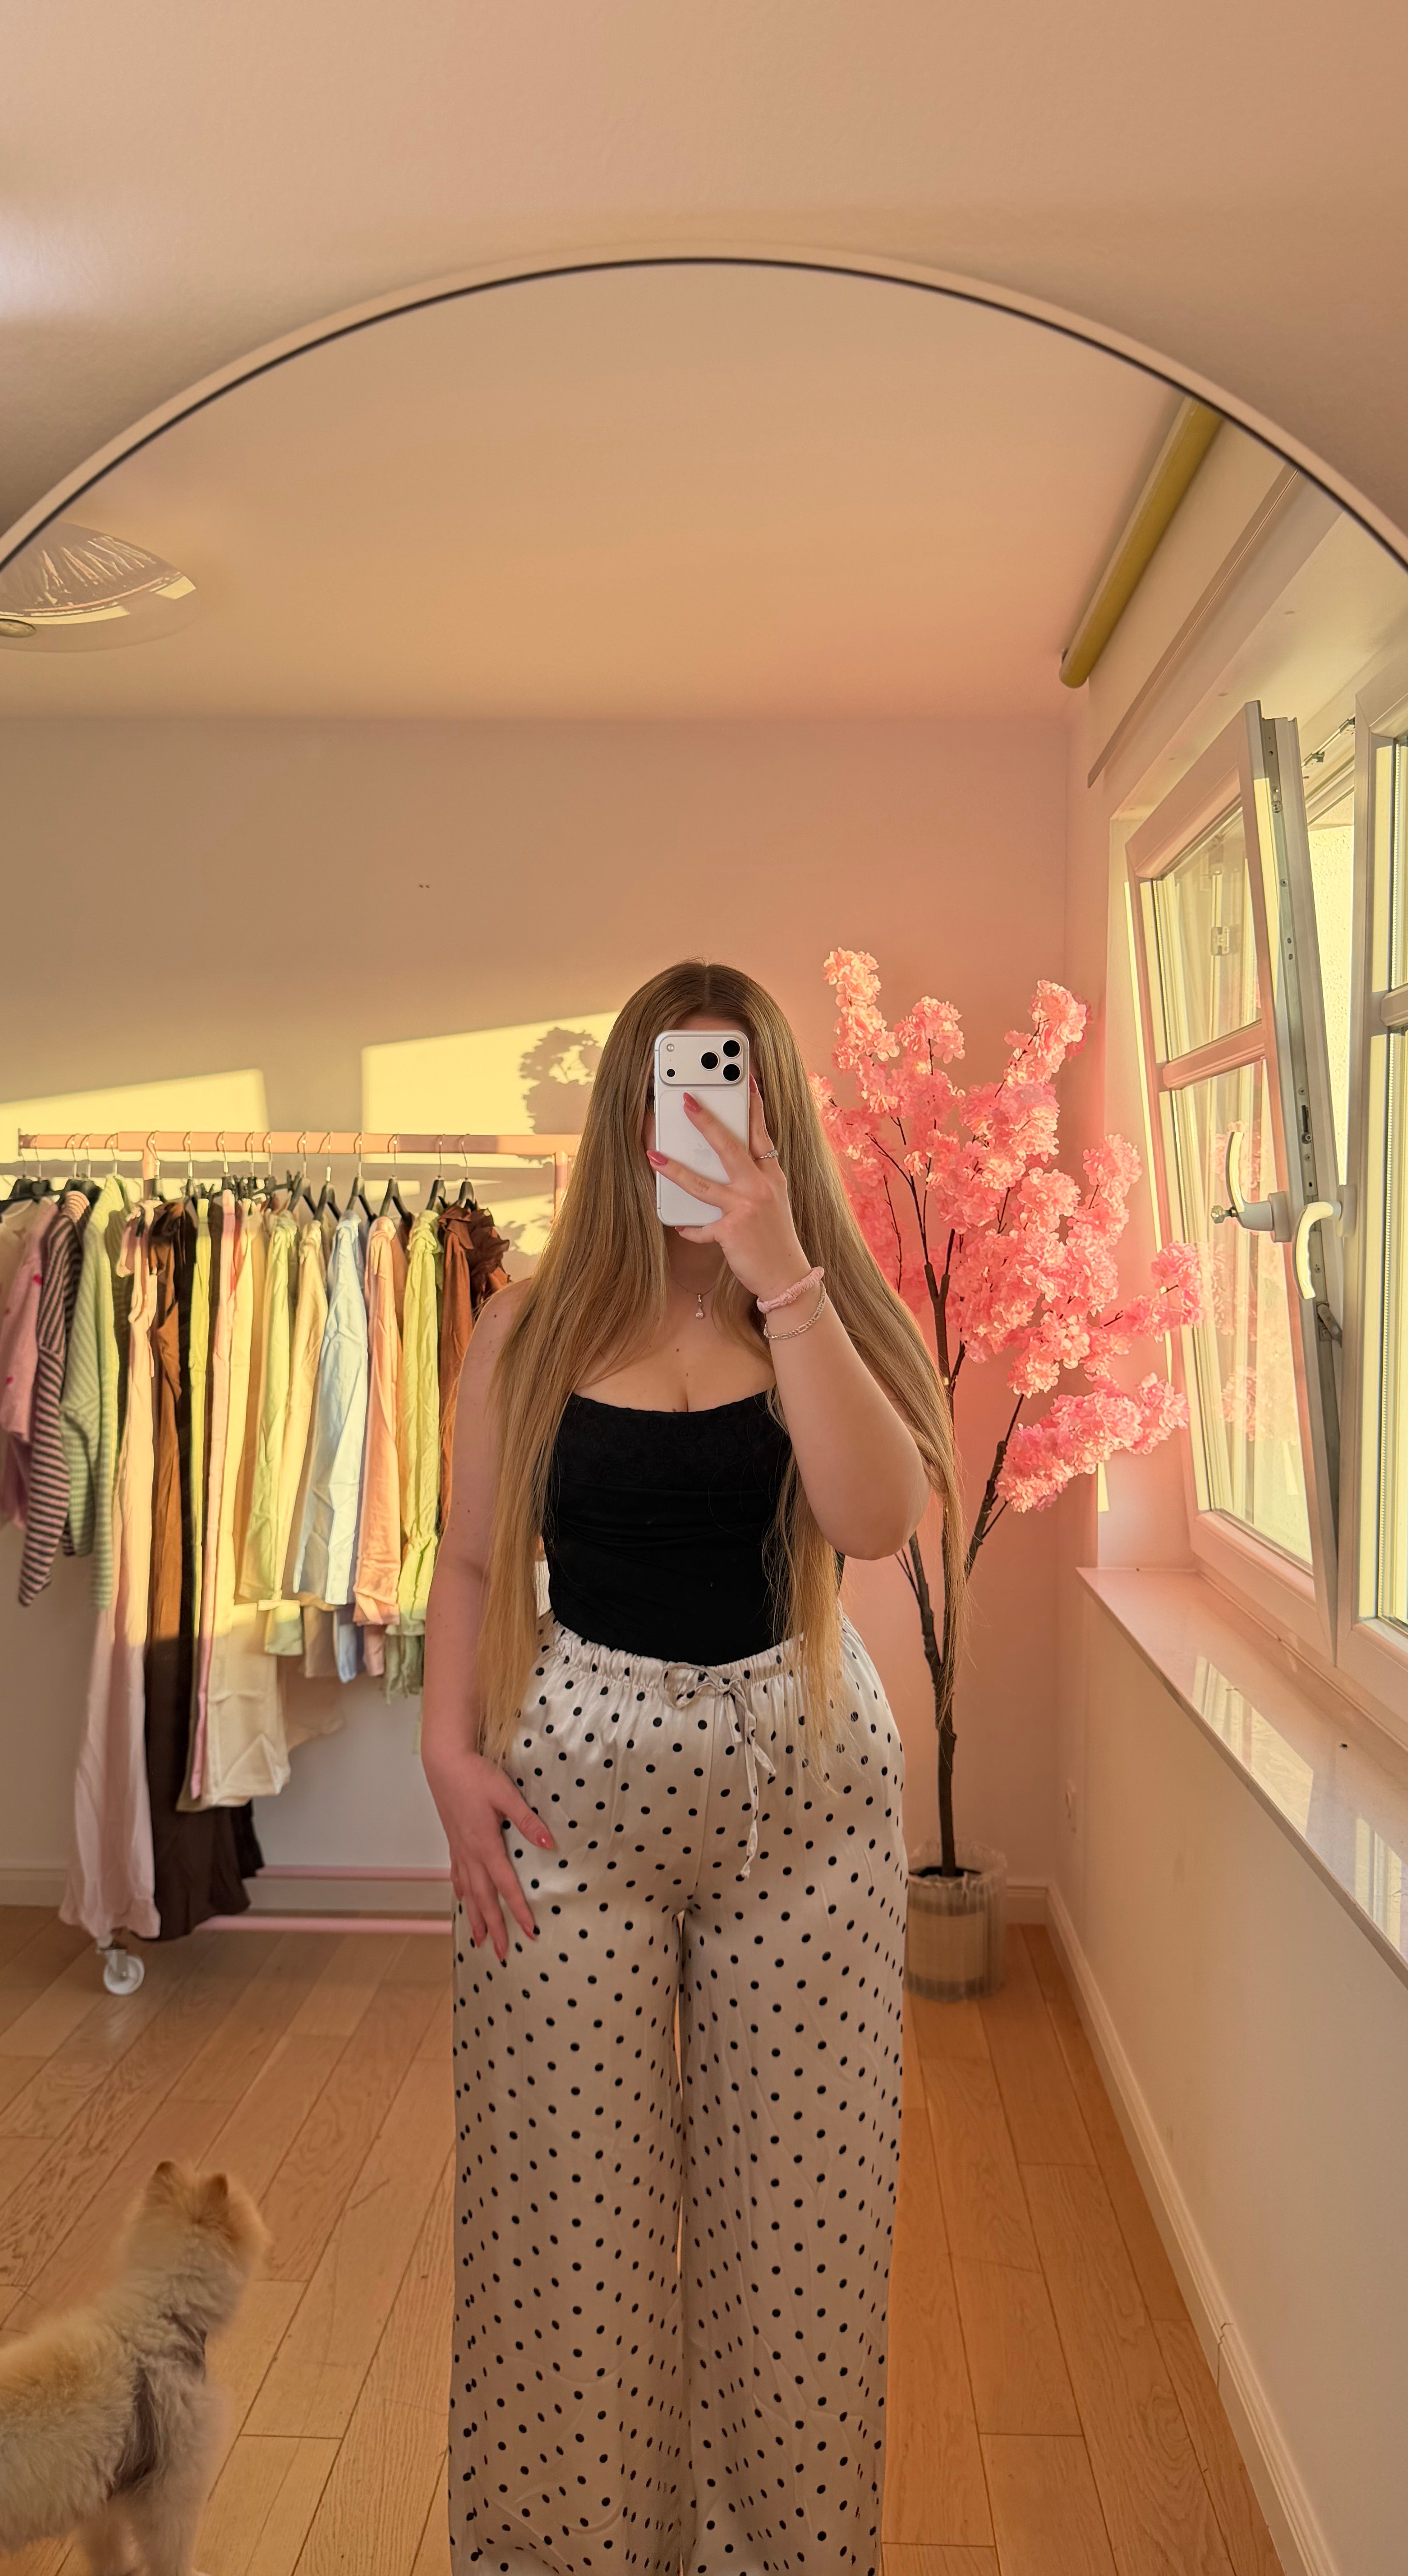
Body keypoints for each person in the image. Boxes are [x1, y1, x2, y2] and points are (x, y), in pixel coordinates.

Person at [423, 958, 962, 2576]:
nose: (698, 1118)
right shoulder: (527, 1326)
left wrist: (783, 1279)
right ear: (626, 1110)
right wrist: (446, 1754)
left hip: (809, 1802)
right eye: (673, 1086)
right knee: (561, 2227)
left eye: (728, 1085)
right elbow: (469, 1561)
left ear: (773, 1110)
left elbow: (874, 1523)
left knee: (800, 2238)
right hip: (565, 1795)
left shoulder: (829, 1314)